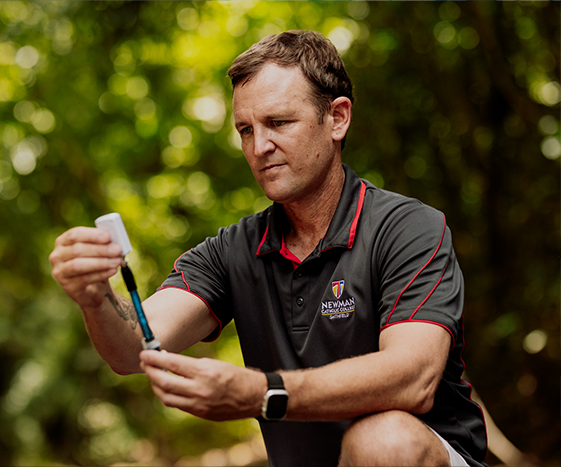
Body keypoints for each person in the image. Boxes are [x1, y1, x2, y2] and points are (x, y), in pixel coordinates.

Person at [50, 30, 487, 467]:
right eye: (245, 130)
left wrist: (261, 392)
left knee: (383, 440)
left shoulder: (407, 227)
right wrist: (95, 296)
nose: (259, 147)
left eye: (278, 123)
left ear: (337, 118)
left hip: (425, 456)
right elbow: (134, 349)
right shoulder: (232, 250)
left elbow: (413, 378)